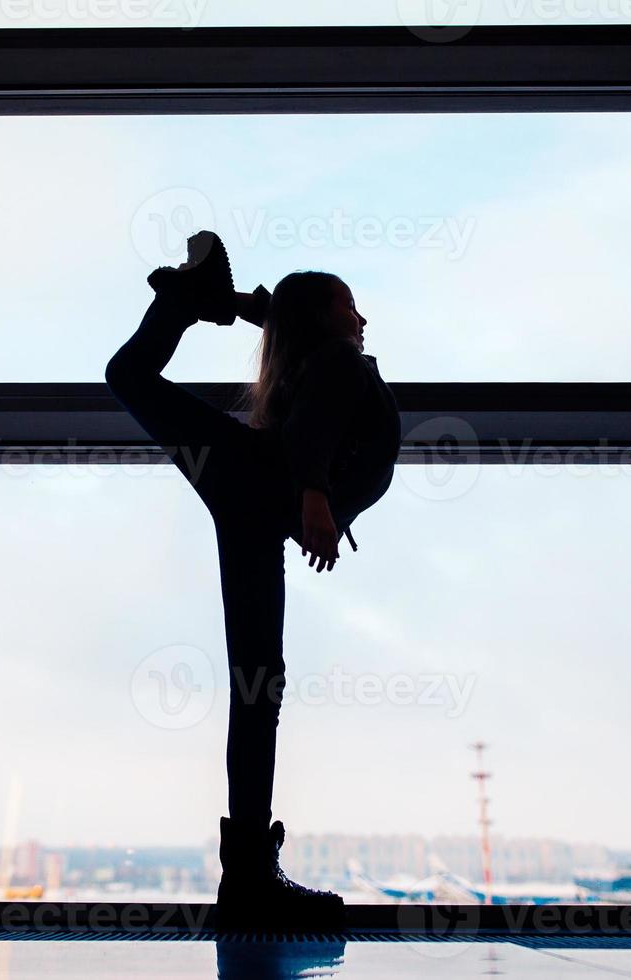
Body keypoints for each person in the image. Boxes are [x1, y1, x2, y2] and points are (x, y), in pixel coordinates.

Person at [104, 231, 401, 931]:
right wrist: (314, 495)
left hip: (251, 498)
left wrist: (235, 303)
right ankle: (247, 875)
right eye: (351, 308)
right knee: (258, 683)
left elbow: (298, 341)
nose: (362, 321)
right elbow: (319, 418)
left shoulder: (323, 353)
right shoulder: (340, 361)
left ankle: (246, 875)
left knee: (257, 681)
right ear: (331, 321)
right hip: (261, 483)